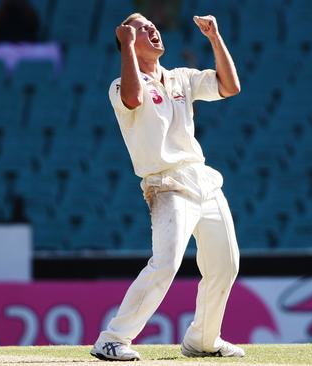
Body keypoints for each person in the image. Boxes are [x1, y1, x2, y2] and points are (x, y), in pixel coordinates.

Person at [90, 13, 242, 361]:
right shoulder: (120, 84)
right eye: (142, 28)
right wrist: (127, 46)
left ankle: (203, 339)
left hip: (202, 178)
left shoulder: (181, 78)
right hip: (166, 183)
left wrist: (215, 38)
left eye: (153, 27)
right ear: (128, 39)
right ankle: (112, 338)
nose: (153, 30)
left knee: (226, 263)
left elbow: (230, 86)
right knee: (167, 263)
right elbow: (132, 97)